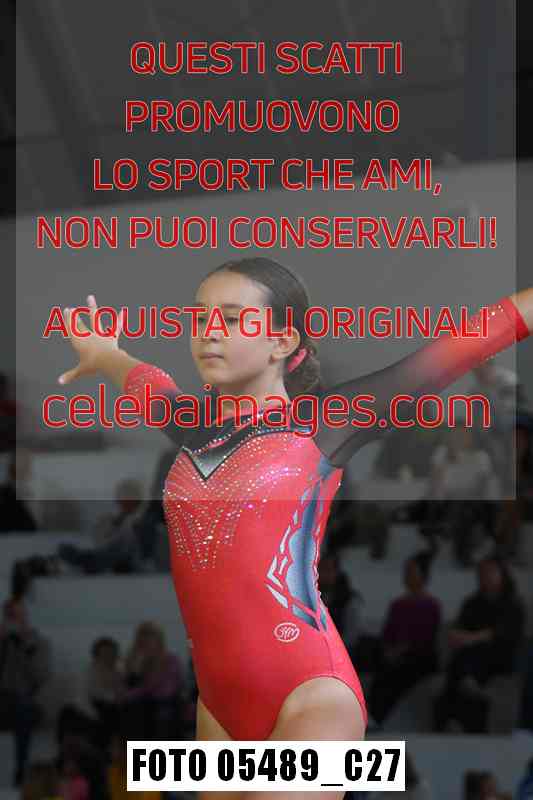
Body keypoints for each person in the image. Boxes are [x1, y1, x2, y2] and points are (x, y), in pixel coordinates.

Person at [57, 259, 533, 799]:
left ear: (282, 341)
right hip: (218, 709)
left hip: (309, 693)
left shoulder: (325, 423)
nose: (208, 331)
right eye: (200, 318)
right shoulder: (194, 427)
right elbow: (147, 382)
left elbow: (461, 347)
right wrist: (106, 354)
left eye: (231, 318)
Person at [433, 556, 526, 733]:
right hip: (468, 656)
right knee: (460, 666)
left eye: (490, 572)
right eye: (481, 573)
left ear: (502, 574)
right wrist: (457, 636)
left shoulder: (513, 604)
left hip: (499, 656)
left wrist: (470, 638)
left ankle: (464, 691)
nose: (485, 576)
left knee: (467, 658)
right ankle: (454, 713)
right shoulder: (472, 603)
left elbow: (501, 634)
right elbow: (460, 628)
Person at [368, 551, 441, 725]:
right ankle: (367, 714)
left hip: (419, 657)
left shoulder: (432, 606)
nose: (407, 576)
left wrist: (401, 650)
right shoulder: (398, 605)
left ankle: (376, 716)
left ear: (423, 575)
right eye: (406, 571)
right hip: (395, 654)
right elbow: (387, 634)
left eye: (412, 572)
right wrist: (389, 650)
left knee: (396, 672)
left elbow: (426, 638)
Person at [0, 595, 51, 786]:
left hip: (25, 701)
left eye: (18, 616)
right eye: (9, 616)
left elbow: (40, 677)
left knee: (23, 707)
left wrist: (24, 647)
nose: (14, 621)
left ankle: (21, 770)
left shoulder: (38, 644)